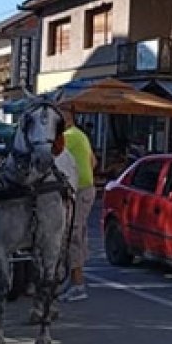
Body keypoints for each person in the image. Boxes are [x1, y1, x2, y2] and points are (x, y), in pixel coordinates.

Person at [60, 105, 97, 302]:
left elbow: (48, 154)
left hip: (79, 189)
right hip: (85, 188)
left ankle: (77, 284)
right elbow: (94, 162)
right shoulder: (81, 135)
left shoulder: (69, 136)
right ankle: (74, 280)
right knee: (77, 234)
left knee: (72, 234)